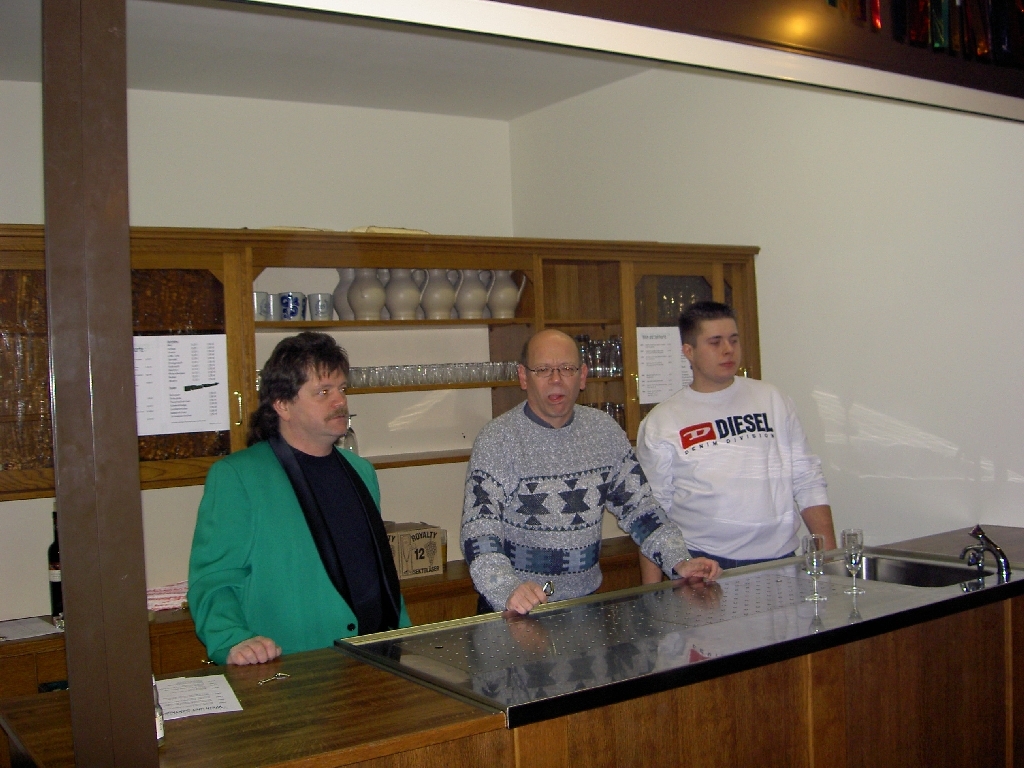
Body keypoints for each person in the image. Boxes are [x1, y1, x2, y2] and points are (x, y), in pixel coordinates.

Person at [460, 329, 721, 615]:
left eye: (567, 369)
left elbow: (640, 509)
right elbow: (479, 531)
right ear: (524, 377)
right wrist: (507, 588)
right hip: (515, 610)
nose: (556, 379)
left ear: (582, 376)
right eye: (543, 369)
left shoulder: (604, 431)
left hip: (585, 607)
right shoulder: (497, 440)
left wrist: (679, 561)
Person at [188, 332, 409, 665]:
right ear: (282, 405)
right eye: (324, 392)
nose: (340, 401)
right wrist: (232, 638)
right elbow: (213, 580)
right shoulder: (238, 477)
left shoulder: (361, 471)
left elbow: (378, 572)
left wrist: (404, 635)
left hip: (379, 657)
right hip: (295, 665)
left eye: (342, 389)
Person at [636, 301, 835, 575]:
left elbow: (807, 479)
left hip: (781, 560)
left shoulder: (773, 399)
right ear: (689, 351)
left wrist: (831, 558)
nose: (728, 349)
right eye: (715, 342)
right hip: (704, 565)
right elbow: (651, 512)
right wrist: (652, 592)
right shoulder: (663, 421)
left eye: (733, 340)